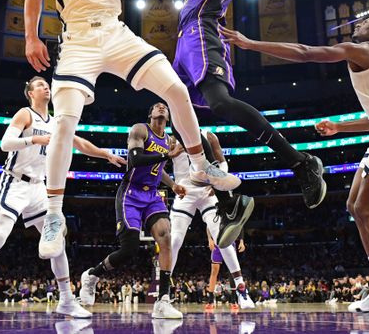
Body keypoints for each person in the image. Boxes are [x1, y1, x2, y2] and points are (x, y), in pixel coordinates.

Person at [23, 0, 240, 260]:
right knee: (64, 124)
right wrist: (30, 36)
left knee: (174, 89)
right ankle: (55, 214)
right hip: (79, 39)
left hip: (117, 33)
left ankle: (202, 167)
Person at [223, 17, 369, 324]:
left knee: (368, 209)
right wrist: (339, 127)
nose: (357, 23)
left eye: (367, 21)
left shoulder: (362, 50)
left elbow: (306, 52)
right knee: (355, 206)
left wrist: (251, 44)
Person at [162, 0, 326, 241]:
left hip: (203, 36)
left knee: (219, 104)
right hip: (185, 44)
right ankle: (229, 200)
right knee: (177, 113)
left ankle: (299, 162)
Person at [0, 77, 125, 320]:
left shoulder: (56, 121)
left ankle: (66, 299)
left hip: (39, 187)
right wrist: (34, 139)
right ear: (30, 93)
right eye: (40, 85)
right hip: (15, 182)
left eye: (46, 84)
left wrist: (105, 154)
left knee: (57, 241)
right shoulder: (25, 114)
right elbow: (5, 144)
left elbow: (79, 142)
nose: (46, 87)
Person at [79, 103, 186, 319]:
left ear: (168, 116)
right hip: (131, 193)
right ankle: (92, 275)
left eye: (164, 106)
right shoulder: (140, 129)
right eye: (156, 106)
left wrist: (173, 185)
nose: (161, 107)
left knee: (166, 238)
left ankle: (163, 300)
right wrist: (167, 155)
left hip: (153, 194)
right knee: (129, 249)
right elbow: (135, 160)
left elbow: (158, 170)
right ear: (150, 114)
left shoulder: (169, 140)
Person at [168, 129, 253, 309]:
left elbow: (222, 162)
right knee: (174, 240)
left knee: (223, 240)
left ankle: (241, 289)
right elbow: (158, 167)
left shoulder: (209, 135)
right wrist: (170, 157)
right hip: (184, 192)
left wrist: (217, 181)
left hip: (207, 191)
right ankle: (164, 291)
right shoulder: (170, 139)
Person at [205, 230, 251, 311]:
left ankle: (233, 301)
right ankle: (211, 300)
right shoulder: (212, 217)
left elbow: (240, 226)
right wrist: (210, 239)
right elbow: (208, 226)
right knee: (214, 271)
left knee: (232, 271)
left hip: (229, 243)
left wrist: (241, 241)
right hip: (216, 243)